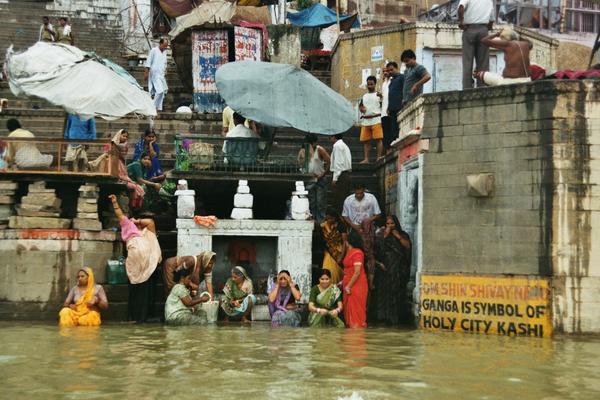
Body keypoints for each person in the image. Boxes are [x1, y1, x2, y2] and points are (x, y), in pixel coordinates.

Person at [108, 194, 162, 322]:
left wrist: (137, 221)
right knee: (137, 290)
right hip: (136, 262)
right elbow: (120, 214)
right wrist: (115, 202)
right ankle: (135, 316)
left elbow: (150, 222)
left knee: (147, 291)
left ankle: (146, 316)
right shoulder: (129, 228)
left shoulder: (148, 231)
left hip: (150, 264)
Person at [374, 215, 412, 325]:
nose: (390, 226)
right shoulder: (381, 235)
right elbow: (376, 250)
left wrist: (398, 236)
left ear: (396, 224)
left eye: (392, 224)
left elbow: (408, 247)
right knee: (383, 293)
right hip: (384, 268)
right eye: (388, 224)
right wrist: (384, 236)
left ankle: (395, 319)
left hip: (397, 270)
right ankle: (383, 318)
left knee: (395, 292)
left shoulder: (403, 234)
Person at [342, 183, 381, 289]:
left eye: (361, 193)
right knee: (355, 252)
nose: (359, 195)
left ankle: (371, 279)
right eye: (357, 193)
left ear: (364, 190)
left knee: (370, 253)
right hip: (355, 228)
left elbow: (378, 214)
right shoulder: (348, 200)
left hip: (368, 229)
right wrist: (353, 226)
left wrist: (368, 220)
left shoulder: (371, 198)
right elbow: (345, 216)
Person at [458, 0, 495, 89]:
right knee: (483, 63)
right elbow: (492, 19)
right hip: (483, 30)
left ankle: (467, 89)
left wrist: (461, 22)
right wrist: (488, 27)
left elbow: (461, 7)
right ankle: (482, 88)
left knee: (467, 62)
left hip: (469, 29)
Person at [301, 133, 330, 223]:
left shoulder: (319, 149)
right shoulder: (304, 150)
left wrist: (323, 174)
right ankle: (313, 221)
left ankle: (321, 222)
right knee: (311, 202)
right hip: (309, 179)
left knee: (320, 202)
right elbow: (301, 163)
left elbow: (329, 162)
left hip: (320, 179)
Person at [342, 231, 368, 328]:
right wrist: (342, 282)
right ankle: (350, 339)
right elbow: (348, 270)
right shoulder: (350, 252)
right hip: (348, 285)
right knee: (348, 313)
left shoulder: (357, 253)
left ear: (347, 241)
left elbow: (357, 272)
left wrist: (348, 286)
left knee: (356, 313)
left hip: (356, 286)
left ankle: (357, 337)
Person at [359, 75, 384, 164]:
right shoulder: (364, 96)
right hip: (366, 120)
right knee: (366, 141)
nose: (369, 86)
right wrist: (361, 109)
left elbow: (383, 105)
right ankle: (366, 159)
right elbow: (361, 107)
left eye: (371, 84)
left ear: (375, 84)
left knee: (378, 139)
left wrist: (381, 97)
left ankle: (379, 157)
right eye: (368, 84)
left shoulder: (379, 94)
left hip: (376, 119)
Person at [320, 208, 345, 284]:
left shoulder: (341, 226)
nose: (328, 220)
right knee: (327, 271)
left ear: (335, 218)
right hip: (328, 253)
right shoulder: (324, 226)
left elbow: (345, 242)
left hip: (339, 252)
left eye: (331, 218)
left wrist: (341, 256)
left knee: (337, 273)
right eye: (327, 218)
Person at [329, 134, 352, 213]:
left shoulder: (337, 146)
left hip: (341, 175)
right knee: (342, 199)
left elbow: (338, 163)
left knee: (340, 200)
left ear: (334, 137)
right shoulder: (343, 145)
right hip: (344, 174)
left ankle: (339, 220)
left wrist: (335, 178)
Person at [144, 38, 169, 111]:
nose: (165, 47)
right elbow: (148, 62)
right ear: (160, 44)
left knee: (162, 92)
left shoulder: (164, 52)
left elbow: (165, 63)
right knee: (160, 91)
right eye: (164, 45)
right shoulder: (154, 50)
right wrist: (146, 73)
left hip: (161, 75)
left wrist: (165, 71)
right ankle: (152, 106)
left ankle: (158, 108)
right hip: (154, 75)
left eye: (166, 46)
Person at [385, 62, 403, 148]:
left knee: (399, 128)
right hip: (392, 109)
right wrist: (388, 107)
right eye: (388, 71)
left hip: (399, 107)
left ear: (397, 68)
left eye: (392, 70)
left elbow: (405, 91)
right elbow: (390, 95)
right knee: (393, 129)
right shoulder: (392, 81)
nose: (390, 72)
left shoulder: (402, 78)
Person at [380, 65, 392, 149]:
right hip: (383, 111)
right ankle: (387, 149)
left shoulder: (392, 81)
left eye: (386, 71)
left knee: (390, 130)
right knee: (385, 131)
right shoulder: (384, 83)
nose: (385, 73)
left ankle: (390, 149)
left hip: (390, 109)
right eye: (383, 71)